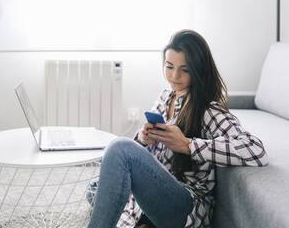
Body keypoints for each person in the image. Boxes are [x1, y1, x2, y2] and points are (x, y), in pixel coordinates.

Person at [86, 29, 268, 228]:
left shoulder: (208, 109)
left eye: (185, 69)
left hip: (184, 205)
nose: (174, 75)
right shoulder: (166, 97)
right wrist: (143, 139)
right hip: (158, 191)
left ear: (198, 70)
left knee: (120, 148)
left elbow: (255, 150)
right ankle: (145, 222)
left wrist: (188, 145)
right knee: (95, 188)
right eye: (169, 66)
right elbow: (145, 159)